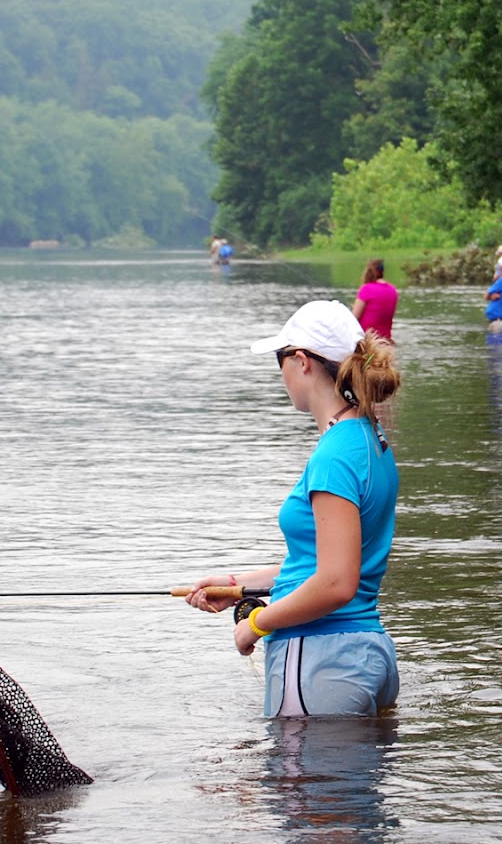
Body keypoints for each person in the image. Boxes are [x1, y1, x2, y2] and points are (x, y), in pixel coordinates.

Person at [184, 300, 402, 717]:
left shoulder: (334, 455)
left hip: (321, 659)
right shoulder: (371, 439)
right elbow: (320, 563)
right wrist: (236, 584)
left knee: (302, 783)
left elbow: (336, 583)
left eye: (279, 360)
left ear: (301, 362)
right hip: (366, 653)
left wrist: (255, 626)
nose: (280, 373)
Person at [351, 258, 398, 342]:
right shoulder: (392, 289)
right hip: (385, 340)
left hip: (368, 341)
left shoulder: (367, 289)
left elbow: (354, 318)